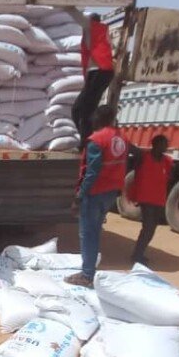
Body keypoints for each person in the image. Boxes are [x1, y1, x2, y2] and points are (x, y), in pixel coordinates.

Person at [66, 105, 129, 288]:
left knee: (88, 233)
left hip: (95, 192)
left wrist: (79, 195)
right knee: (95, 231)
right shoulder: (121, 138)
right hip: (110, 192)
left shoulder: (97, 140)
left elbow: (92, 172)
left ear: (99, 118)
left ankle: (86, 275)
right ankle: (88, 270)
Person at [68, 10, 116, 145]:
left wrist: (66, 6)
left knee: (81, 109)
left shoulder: (95, 28)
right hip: (98, 72)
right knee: (83, 109)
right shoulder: (99, 32)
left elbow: (77, 16)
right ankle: (88, 139)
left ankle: (87, 141)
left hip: (100, 72)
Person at [128, 135, 174, 265]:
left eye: (166, 144)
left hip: (158, 198)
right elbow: (130, 149)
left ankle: (139, 253)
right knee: (148, 226)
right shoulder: (143, 157)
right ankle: (137, 255)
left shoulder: (167, 161)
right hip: (145, 197)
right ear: (155, 144)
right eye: (164, 144)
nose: (166, 146)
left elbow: (169, 178)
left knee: (151, 227)